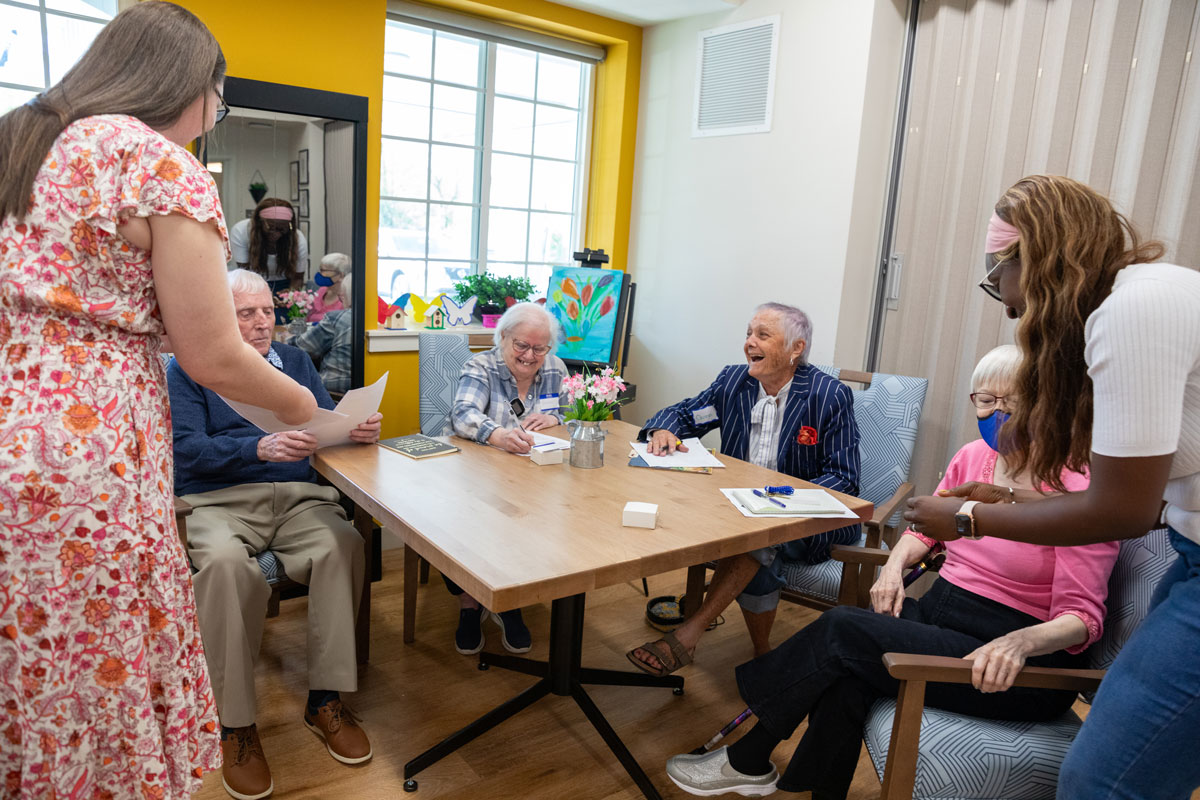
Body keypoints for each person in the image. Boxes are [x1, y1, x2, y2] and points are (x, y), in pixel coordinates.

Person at [0, 4, 316, 797]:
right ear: (194, 86)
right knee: (97, 653)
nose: (214, 118)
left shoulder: (17, 142)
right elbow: (214, 354)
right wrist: (308, 408)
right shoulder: (154, 162)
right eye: (221, 100)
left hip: (14, 424)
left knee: (32, 661)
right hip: (87, 448)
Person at [666, 344, 1119, 799]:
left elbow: (1083, 618)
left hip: (1016, 657)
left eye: (1014, 401)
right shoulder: (972, 458)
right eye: (986, 400)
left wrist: (1021, 642)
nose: (997, 413)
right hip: (946, 616)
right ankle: (763, 768)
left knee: (843, 628)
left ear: (1045, 403)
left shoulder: (1079, 488)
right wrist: (891, 569)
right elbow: (926, 533)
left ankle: (747, 753)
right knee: (847, 676)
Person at [903, 174, 1200, 800]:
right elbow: (1144, 504)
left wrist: (964, 522)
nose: (1008, 309)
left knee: (1103, 783)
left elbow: (1119, 510)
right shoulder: (1137, 301)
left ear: (1034, 262)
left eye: (997, 284)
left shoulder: (1132, 311)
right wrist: (1007, 500)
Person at [168, 269, 382, 800]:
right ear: (222, 316)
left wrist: (351, 431)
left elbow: (319, 424)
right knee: (224, 567)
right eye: (246, 313)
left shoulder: (297, 362)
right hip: (219, 502)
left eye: (266, 311)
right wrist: (254, 449)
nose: (262, 322)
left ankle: (325, 699)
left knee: (344, 544)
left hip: (295, 499)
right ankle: (236, 723)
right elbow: (183, 450)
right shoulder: (188, 370)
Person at [626, 303, 859, 675]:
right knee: (755, 535)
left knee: (760, 536)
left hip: (813, 517)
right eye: (749, 334)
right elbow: (687, 414)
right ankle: (763, 652)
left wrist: (777, 501)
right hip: (740, 510)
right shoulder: (734, 383)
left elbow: (844, 479)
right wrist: (662, 430)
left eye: (762, 335)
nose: (749, 342)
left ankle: (690, 632)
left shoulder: (828, 396)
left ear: (796, 349)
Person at [448, 302, 568, 654]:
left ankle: (511, 597)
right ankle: (470, 604)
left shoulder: (555, 369)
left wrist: (557, 419)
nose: (530, 356)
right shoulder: (481, 366)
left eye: (539, 348)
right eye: (522, 345)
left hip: (537, 477)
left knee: (554, 515)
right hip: (477, 475)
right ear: (503, 337)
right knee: (476, 519)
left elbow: (575, 411)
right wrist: (498, 435)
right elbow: (463, 414)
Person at [229, 196, 308, 296]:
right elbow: (244, 273)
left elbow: (298, 277)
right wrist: (264, 296)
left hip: (284, 284)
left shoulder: (298, 238)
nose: (276, 234)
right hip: (252, 283)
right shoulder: (241, 231)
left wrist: (291, 295)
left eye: (282, 229)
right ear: (259, 222)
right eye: (271, 228)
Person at [291, 273, 353, 394]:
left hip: (334, 390)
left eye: (342, 298)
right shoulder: (379, 320)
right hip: (365, 389)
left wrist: (287, 341)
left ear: (347, 296)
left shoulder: (337, 318)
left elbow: (303, 347)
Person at [308, 252, 351, 322]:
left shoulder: (346, 298)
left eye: (323, 270)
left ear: (341, 275)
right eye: (320, 269)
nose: (319, 274)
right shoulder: (322, 290)